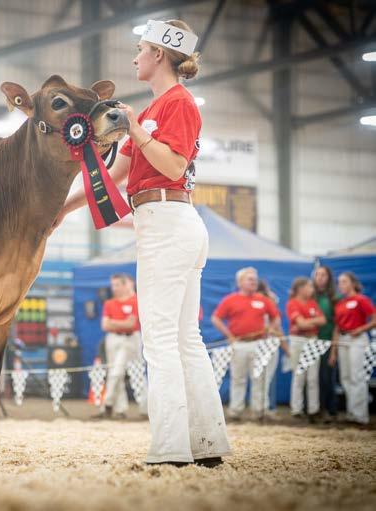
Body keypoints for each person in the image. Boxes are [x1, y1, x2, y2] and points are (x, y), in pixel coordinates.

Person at [55, 19, 230, 466]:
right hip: (165, 222)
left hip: (168, 220)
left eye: (140, 49)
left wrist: (136, 129)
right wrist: (63, 209)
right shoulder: (152, 109)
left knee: (161, 340)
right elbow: (115, 174)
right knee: (185, 338)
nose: (135, 57)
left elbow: (173, 166)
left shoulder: (178, 103)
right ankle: (208, 444)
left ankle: (171, 448)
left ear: (159, 54)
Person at [211, 267, 289, 420]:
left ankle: (259, 411)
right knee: (238, 378)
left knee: (260, 378)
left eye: (255, 279)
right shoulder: (230, 299)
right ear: (240, 282)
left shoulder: (263, 300)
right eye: (250, 279)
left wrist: (269, 330)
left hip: (259, 344)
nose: (254, 282)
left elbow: (276, 317)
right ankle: (235, 411)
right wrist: (229, 336)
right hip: (238, 344)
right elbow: (216, 318)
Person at [95, 273, 146, 420]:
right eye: (113, 285)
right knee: (116, 373)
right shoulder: (109, 303)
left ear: (125, 285)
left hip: (131, 339)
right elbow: (104, 325)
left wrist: (113, 322)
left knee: (124, 373)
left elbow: (132, 324)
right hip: (113, 339)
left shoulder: (136, 301)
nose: (114, 288)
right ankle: (120, 410)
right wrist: (122, 323)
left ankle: (108, 404)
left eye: (117, 285)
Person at [328, 272, 375, 425]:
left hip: (357, 340)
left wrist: (361, 329)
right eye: (339, 282)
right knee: (345, 378)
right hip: (343, 340)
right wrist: (333, 351)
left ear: (353, 283)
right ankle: (351, 413)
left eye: (344, 281)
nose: (341, 285)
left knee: (357, 377)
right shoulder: (340, 304)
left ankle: (360, 416)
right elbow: (337, 328)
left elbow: (374, 318)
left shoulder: (361, 299)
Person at [286, 277, 326, 421]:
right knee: (299, 375)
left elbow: (323, 320)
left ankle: (313, 410)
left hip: (313, 340)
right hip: (298, 341)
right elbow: (301, 324)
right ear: (300, 288)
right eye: (309, 286)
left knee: (313, 377)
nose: (312, 290)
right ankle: (296, 409)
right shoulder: (292, 303)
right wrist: (311, 323)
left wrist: (306, 323)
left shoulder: (312, 303)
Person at [313, 266, 338, 422]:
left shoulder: (334, 298)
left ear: (329, 278)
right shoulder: (310, 296)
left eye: (323, 275)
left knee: (327, 377)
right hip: (311, 344)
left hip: (328, 343)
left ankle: (331, 411)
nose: (320, 277)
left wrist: (334, 350)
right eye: (317, 274)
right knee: (313, 379)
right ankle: (315, 410)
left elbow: (337, 325)